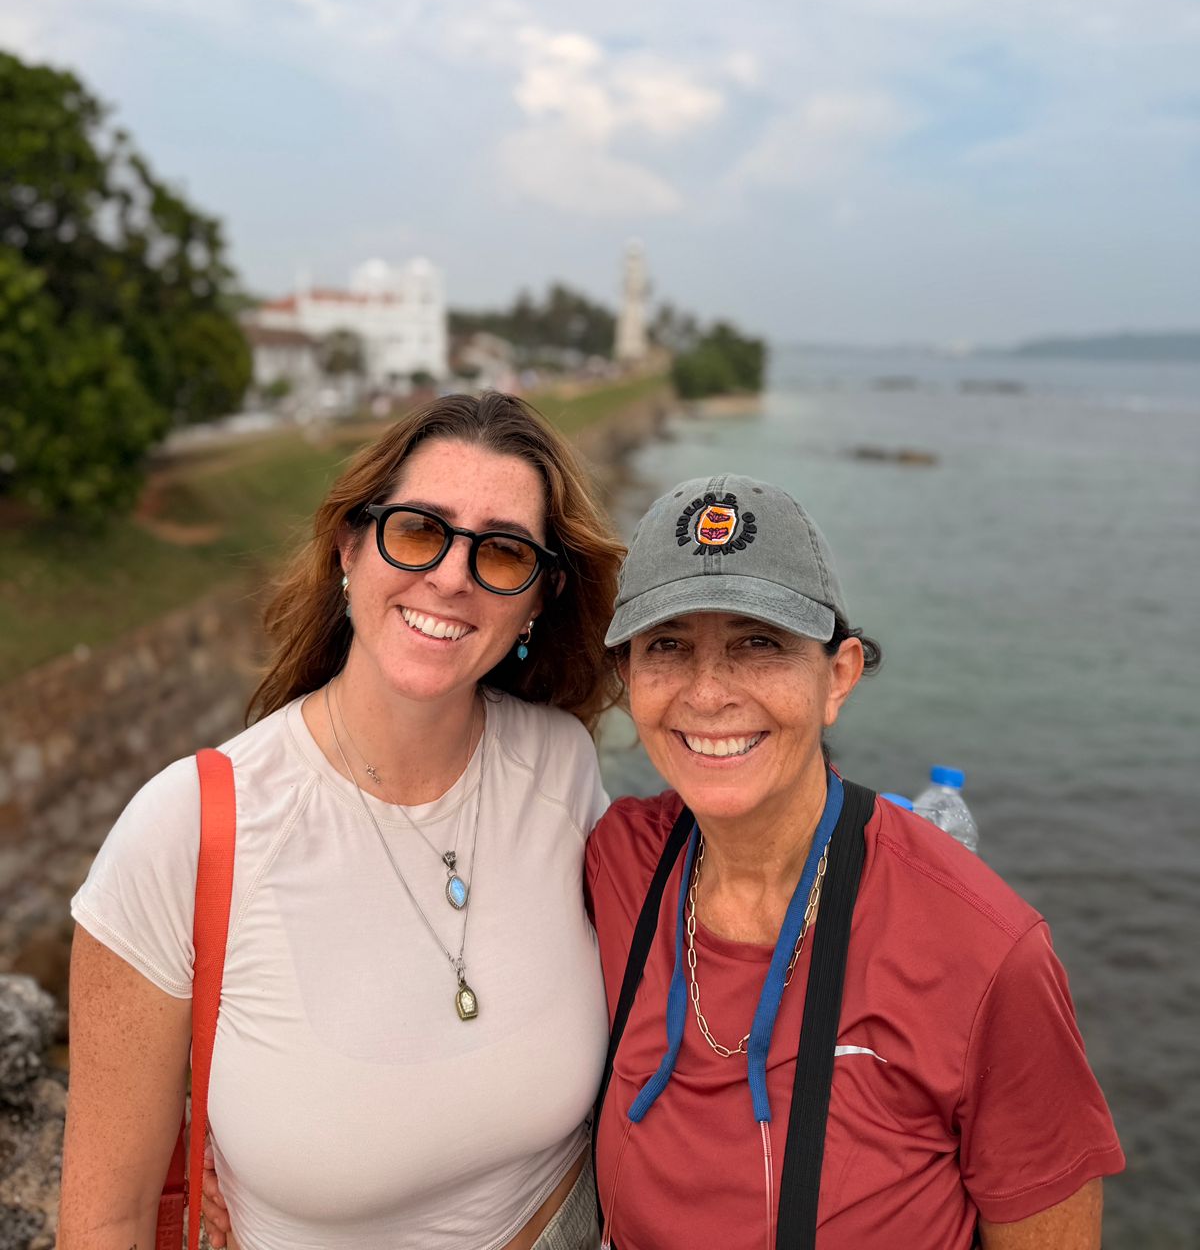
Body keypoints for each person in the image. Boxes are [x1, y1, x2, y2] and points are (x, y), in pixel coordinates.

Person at [59, 392, 624, 1250]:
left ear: (540, 597)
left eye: (504, 550)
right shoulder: (186, 832)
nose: (452, 576)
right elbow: (108, 1220)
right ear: (349, 547)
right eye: (419, 530)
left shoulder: (561, 767)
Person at [586, 475, 1124, 1249]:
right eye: (667, 645)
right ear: (627, 679)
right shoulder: (619, 861)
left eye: (757, 643)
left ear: (838, 677)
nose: (706, 694)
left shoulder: (983, 951)